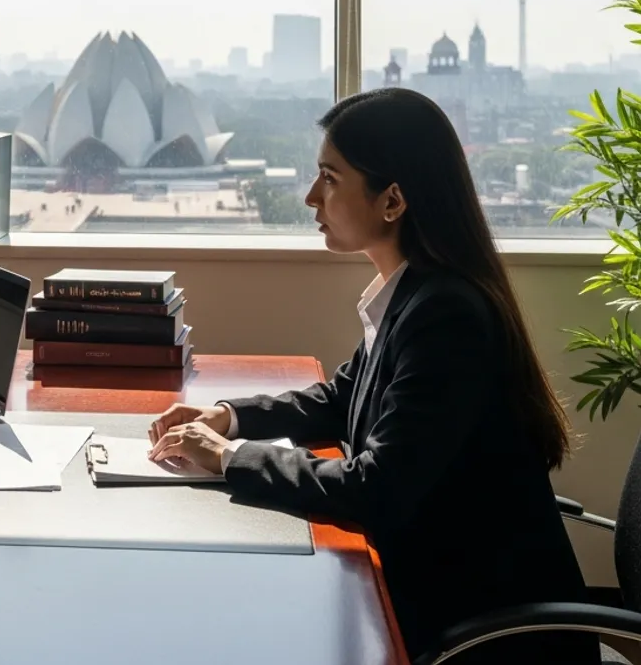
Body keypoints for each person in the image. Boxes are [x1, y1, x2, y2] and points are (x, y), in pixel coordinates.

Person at [147, 87, 596, 665]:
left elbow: (374, 490)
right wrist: (229, 417)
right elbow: (341, 399)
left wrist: (229, 456)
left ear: (392, 201)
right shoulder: (416, 294)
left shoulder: (445, 315)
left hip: (475, 632)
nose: (312, 197)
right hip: (429, 584)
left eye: (330, 179)